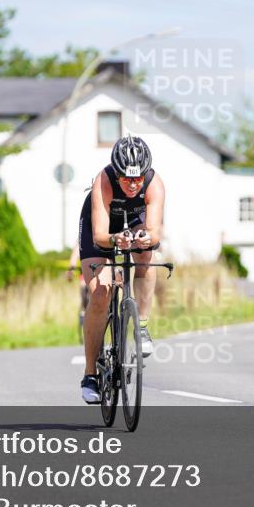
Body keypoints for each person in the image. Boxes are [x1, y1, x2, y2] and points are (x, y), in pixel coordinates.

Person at [77, 135, 165, 403]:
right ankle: (90, 374)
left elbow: (154, 231)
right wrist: (116, 240)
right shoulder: (102, 182)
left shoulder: (154, 184)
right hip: (101, 230)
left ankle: (142, 326)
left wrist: (145, 239)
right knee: (101, 294)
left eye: (137, 179)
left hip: (134, 222)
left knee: (146, 255)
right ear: (116, 172)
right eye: (126, 179)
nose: (133, 184)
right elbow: (101, 235)